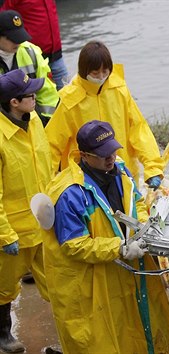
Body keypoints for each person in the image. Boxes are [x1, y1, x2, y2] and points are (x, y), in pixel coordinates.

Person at [43, 120, 169, 353]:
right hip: (92, 281)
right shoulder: (69, 194)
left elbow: (136, 201)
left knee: (137, 328)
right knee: (102, 339)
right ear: (84, 156)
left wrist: (145, 225)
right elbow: (74, 245)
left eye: (113, 151)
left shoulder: (120, 170)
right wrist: (120, 248)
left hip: (123, 269)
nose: (111, 158)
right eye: (103, 154)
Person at [45, 40, 164, 189]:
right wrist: (48, 185)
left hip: (122, 173)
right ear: (84, 70)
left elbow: (139, 129)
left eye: (105, 71)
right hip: (85, 180)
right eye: (95, 73)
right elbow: (52, 145)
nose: (101, 76)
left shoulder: (119, 89)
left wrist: (153, 167)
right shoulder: (70, 101)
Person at [0, 69, 52, 353]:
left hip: (43, 223)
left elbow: (46, 168)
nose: (35, 97)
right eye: (29, 94)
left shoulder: (34, 123)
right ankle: (3, 334)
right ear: (13, 102)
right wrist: (5, 235)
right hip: (14, 230)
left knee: (57, 280)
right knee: (4, 287)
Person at [0, 9, 58, 125]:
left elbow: (47, 91)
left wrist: (46, 121)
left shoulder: (30, 52)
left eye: (19, 37)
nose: (18, 42)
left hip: (33, 120)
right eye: (12, 38)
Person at [0, 0, 69, 90]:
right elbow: (4, 18)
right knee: (29, 93)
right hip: (31, 57)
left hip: (56, 55)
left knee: (67, 94)